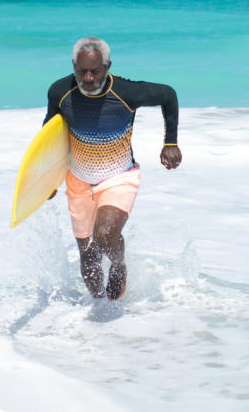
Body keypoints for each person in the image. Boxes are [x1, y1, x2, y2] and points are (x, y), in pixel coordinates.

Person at [44, 37, 182, 301]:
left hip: (118, 176)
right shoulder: (59, 92)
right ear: (73, 65)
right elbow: (49, 137)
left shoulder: (127, 92)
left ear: (107, 66)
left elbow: (168, 95)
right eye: (81, 70)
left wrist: (170, 143)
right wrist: (45, 181)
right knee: (89, 259)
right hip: (78, 179)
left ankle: (119, 266)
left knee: (105, 235)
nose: (87, 77)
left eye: (95, 71)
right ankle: (99, 317)